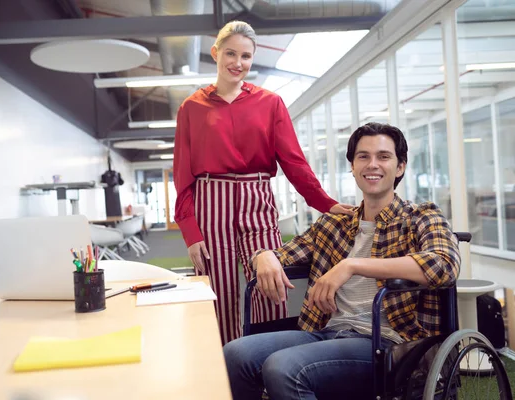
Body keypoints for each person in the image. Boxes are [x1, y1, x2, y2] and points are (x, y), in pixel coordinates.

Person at [223, 122, 461, 400]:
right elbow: (284, 253)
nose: (372, 164)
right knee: (235, 353)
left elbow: (443, 265)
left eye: (383, 157)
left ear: (400, 167)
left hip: (386, 344)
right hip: (326, 331)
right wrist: (262, 255)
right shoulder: (334, 224)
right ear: (352, 166)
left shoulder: (422, 216)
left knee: (283, 368)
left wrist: (351, 266)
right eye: (363, 156)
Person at [173, 20, 352, 345]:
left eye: (245, 56)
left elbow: (294, 161)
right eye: (230, 53)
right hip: (210, 201)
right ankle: (229, 370)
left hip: (258, 199)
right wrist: (190, 231)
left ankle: (270, 364)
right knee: (220, 294)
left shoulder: (270, 103)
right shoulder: (191, 108)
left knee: (271, 285)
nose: (237, 63)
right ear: (215, 53)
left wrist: (325, 203)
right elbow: (182, 174)